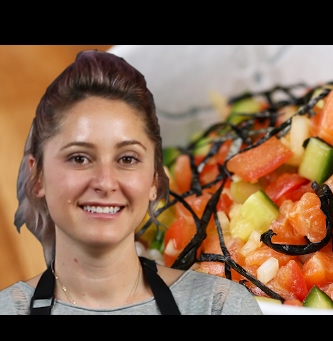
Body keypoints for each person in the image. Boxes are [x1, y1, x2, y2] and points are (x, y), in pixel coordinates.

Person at [0, 49, 263, 315]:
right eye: (79, 158)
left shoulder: (218, 305)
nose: (105, 182)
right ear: (37, 176)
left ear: (155, 179)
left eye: (127, 159)